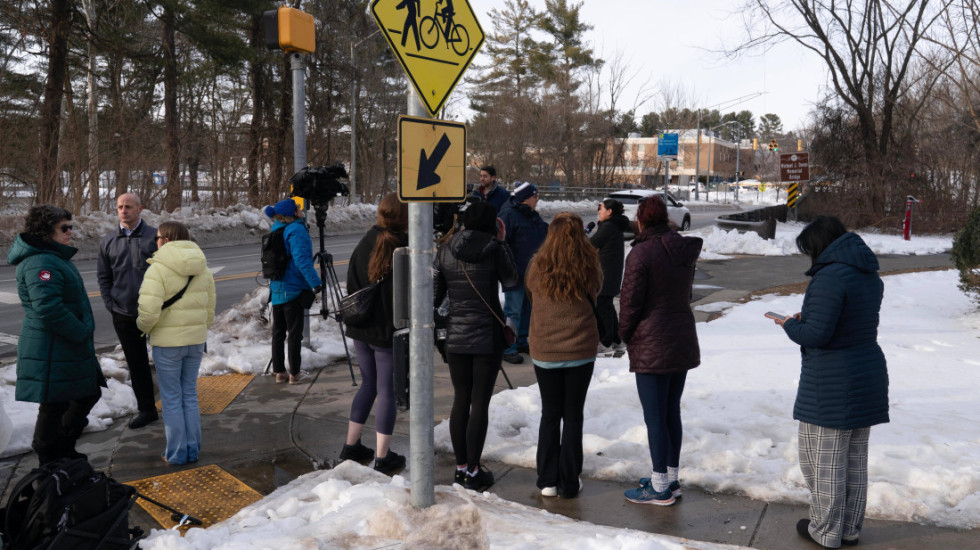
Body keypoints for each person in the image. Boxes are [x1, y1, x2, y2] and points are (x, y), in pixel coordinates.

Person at [770, 216, 888, 548]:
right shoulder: (867, 275)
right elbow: (847, 321)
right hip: (866, 375)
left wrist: (789, 326)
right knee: (853, 460)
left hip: (833, 382)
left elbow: (817, 334)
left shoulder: (829, 278)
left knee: (822, 462)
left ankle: (825, 531)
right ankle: (848, 528)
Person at [619, 195, 703, 507]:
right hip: (680, 335)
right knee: (671, 411)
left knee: (655, 416)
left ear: (641, 220)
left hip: (651, 340)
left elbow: (630, 303)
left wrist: (624, 334)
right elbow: (686, 292)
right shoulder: (681, 248)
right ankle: (670, 478)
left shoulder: (641, 253)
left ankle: (658, 487)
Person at [8, 205, 105, 464]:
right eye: (65, 227)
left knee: (85, 393)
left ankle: (63, 448)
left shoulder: (53, 257)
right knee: (55, 404)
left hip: (64, 344)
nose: (70, 231)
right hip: (52, 345)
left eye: (71, 226)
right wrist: (81, 331)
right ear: (46, 230)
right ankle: (49, 458)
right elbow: (48, 307)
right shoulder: (41, 262)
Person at [433, 200, 519, 491]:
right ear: (493, 223)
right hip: (487, 336)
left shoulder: (445, 248)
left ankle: (460, 468)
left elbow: (436, 296)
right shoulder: (495, 248)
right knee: (480, 401)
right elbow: (511, 279)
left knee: (461, 398)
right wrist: (503, 243)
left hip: (456, 334)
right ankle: (473, 469)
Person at [525, 212, 602, 499]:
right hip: (581, 349)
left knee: (549, 414)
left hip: (545, 349)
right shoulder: (589, 265)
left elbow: (532, 296)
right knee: (573, 416)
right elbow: (596, 294)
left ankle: (547, 479)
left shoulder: (537, 265)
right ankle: (570, 482)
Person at [340, 193, 409, 475]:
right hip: (386, 332)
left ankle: (351, 446)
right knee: (387, 392)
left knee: (368, 385)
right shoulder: (402, 249)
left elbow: (352, 284)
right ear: (405, 217)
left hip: (360, 327)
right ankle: (383, 457)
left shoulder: (365, 241)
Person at [137, 222, 215, 465]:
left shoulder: (157, 269)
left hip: (167, 344)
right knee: (189, 395)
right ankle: (193, 449)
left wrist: (143, 329)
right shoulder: (203, 268)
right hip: (195, 341)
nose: (155, 242)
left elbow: (148, 313)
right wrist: (199, 331)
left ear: (166, 240)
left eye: (157, 237)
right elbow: (209, 308)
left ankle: (177, 453)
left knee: (171, 399)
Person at [97, 193, 159, 429]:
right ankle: (147, 409)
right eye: (120, 207)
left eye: (129, 207)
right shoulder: (108, 241)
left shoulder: (155, 236)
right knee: (137, 363)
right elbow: (104, 276)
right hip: (123, 313)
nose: (124, 211)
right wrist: (110, 304)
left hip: (155, 312)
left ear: (140, 209)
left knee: (165, 360)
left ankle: (175, 403)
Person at [264, 198, 322, 384]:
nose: (300, 209)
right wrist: (316, 282)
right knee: (294, 333)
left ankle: (279, 372)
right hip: (293, 288)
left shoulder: (276, 229)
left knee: (279, 333)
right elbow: (302, 260)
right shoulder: (296, 230)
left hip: (277, 288)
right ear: (292, 214)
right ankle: (295, 374)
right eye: (297, 208)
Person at [497, 182, 548, 364]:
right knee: (513, 311)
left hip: (533, 273)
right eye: (535, 196)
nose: (537, 200)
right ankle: (508, 347)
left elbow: (545, 233)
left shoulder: (533, 216)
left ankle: (520, 341)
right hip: (515, 273)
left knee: (528, 309)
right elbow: (501, 244)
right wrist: (508, 269)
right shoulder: (508, 215)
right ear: (525, 198)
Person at [590, 198, 630, 351]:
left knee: (603, 307)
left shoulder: (608, 227)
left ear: (609, 211)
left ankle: (606, 342)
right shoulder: (614, 225)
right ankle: (616, 339)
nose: (598, 211)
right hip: (610, 273)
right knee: (607, 306)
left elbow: (590, 245)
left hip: (605, 274)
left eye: (601, 208)